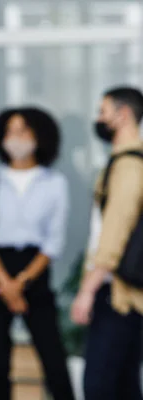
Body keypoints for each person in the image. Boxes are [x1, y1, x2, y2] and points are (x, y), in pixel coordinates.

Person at [0, 107, 74, 400]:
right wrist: (5, 283)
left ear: (39, 136)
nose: (15, 138)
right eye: (9, 132)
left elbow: (54, 242)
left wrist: (21, 283)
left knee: (53, 357)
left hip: (34, 269)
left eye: (23, 131)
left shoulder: (54, 183)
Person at [71, 86, 143, 400]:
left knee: (100, 386)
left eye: (103, 111)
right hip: (125, 292)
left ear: (123, 114)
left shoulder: (128, 166)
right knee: (124, 384)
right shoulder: (125, 162)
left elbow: (113, 233)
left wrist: (87, 291)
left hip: (118, 295)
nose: (99, 119)